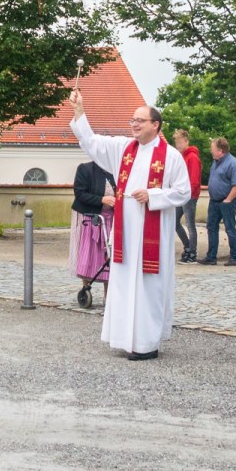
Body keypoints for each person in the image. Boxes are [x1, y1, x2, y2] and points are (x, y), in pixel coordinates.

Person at [68, 89, 190, 361]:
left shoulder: (171, 156)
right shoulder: (124, 148)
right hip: (125, 233)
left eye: (140, 121)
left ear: (155, 125)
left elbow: (184, 192)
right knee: (124, 284)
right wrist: (79, 112)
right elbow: (93, 142)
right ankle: (126, 339)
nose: (134, 124)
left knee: (149, 287)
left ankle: (147, 343)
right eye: (132, 120)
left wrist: (153, 195)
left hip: (153, 235)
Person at [69, 161, 116, 297]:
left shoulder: (115, 169)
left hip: (111, 217)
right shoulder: (85, 168)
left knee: (109, 254)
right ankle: (86, 289)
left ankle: (109, 294)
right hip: (90, 217)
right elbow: (79, 193)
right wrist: (101, 199)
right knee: (89, 254)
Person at [199, 137, 236, 266]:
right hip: (214, 201)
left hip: (227, 201)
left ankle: (235, 257)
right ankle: (211, 257)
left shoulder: (233, 163)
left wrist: (228, 200)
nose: (211, 151)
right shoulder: (216, 162)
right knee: (211, 227)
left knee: (230, 228)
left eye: (212, 149)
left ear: (220, 151)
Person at [172, 129, 201, 263]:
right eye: (176, 142)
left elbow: (194, 179)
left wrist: (189, 194)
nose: (177, 145)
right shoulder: (182, 157)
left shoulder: (192, 157)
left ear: (186, 141)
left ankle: (192, 253)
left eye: (180, 142)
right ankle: (188, 247)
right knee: (174, 221)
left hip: (189, 195)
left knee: (190, 225)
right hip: (181, 194)